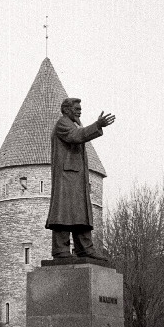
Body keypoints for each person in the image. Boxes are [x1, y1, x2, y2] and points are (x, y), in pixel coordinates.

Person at [45, 97, 115, 260]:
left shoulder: (73, 124)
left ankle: (84, 248)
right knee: (64, 212)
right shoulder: (63, 124)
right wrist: (97, 125)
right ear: (66, 110)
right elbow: (76, 136)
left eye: (80, 108)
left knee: (80, 212)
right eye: (76, 108)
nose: (79, 111)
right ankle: (61, 250)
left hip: (75, 176)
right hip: (66, 178)